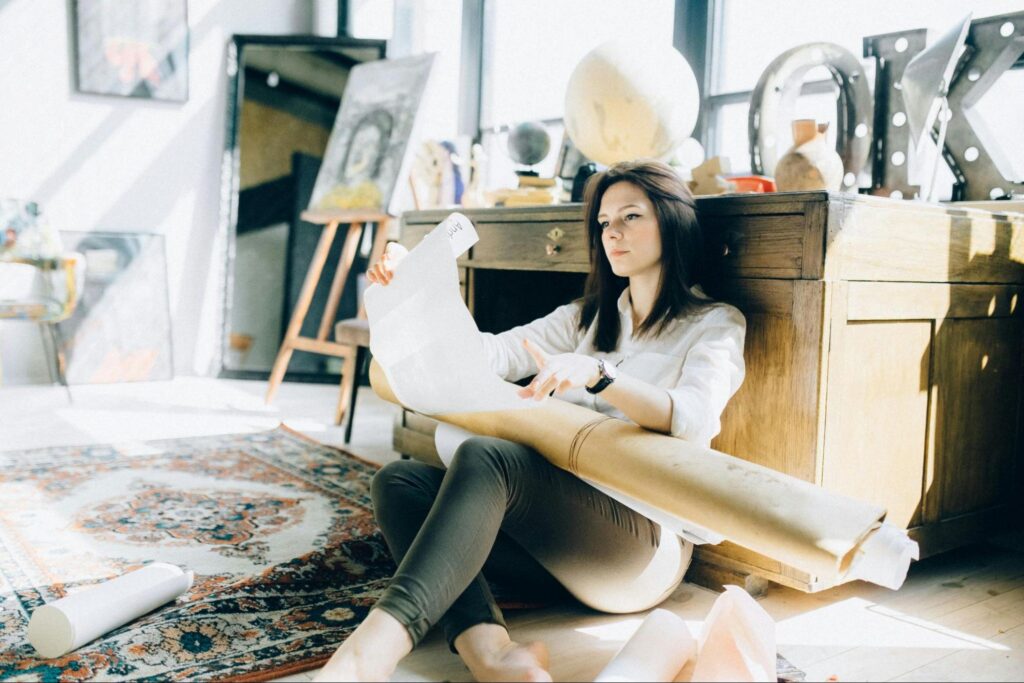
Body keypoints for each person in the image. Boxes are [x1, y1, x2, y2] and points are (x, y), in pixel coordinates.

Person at [314, 159, 746, 682]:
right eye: (605, 222)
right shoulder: (586, 317)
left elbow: (691, 417)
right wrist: (417, 283)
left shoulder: (715, 324)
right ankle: (491, 653)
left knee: (489, 457)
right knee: (400, 481)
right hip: (552, 546)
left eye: (631, 216)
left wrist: (598, 374)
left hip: (640, 553)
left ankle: (367, 657)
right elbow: (484, 356)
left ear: (673, 222)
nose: (613, 233)